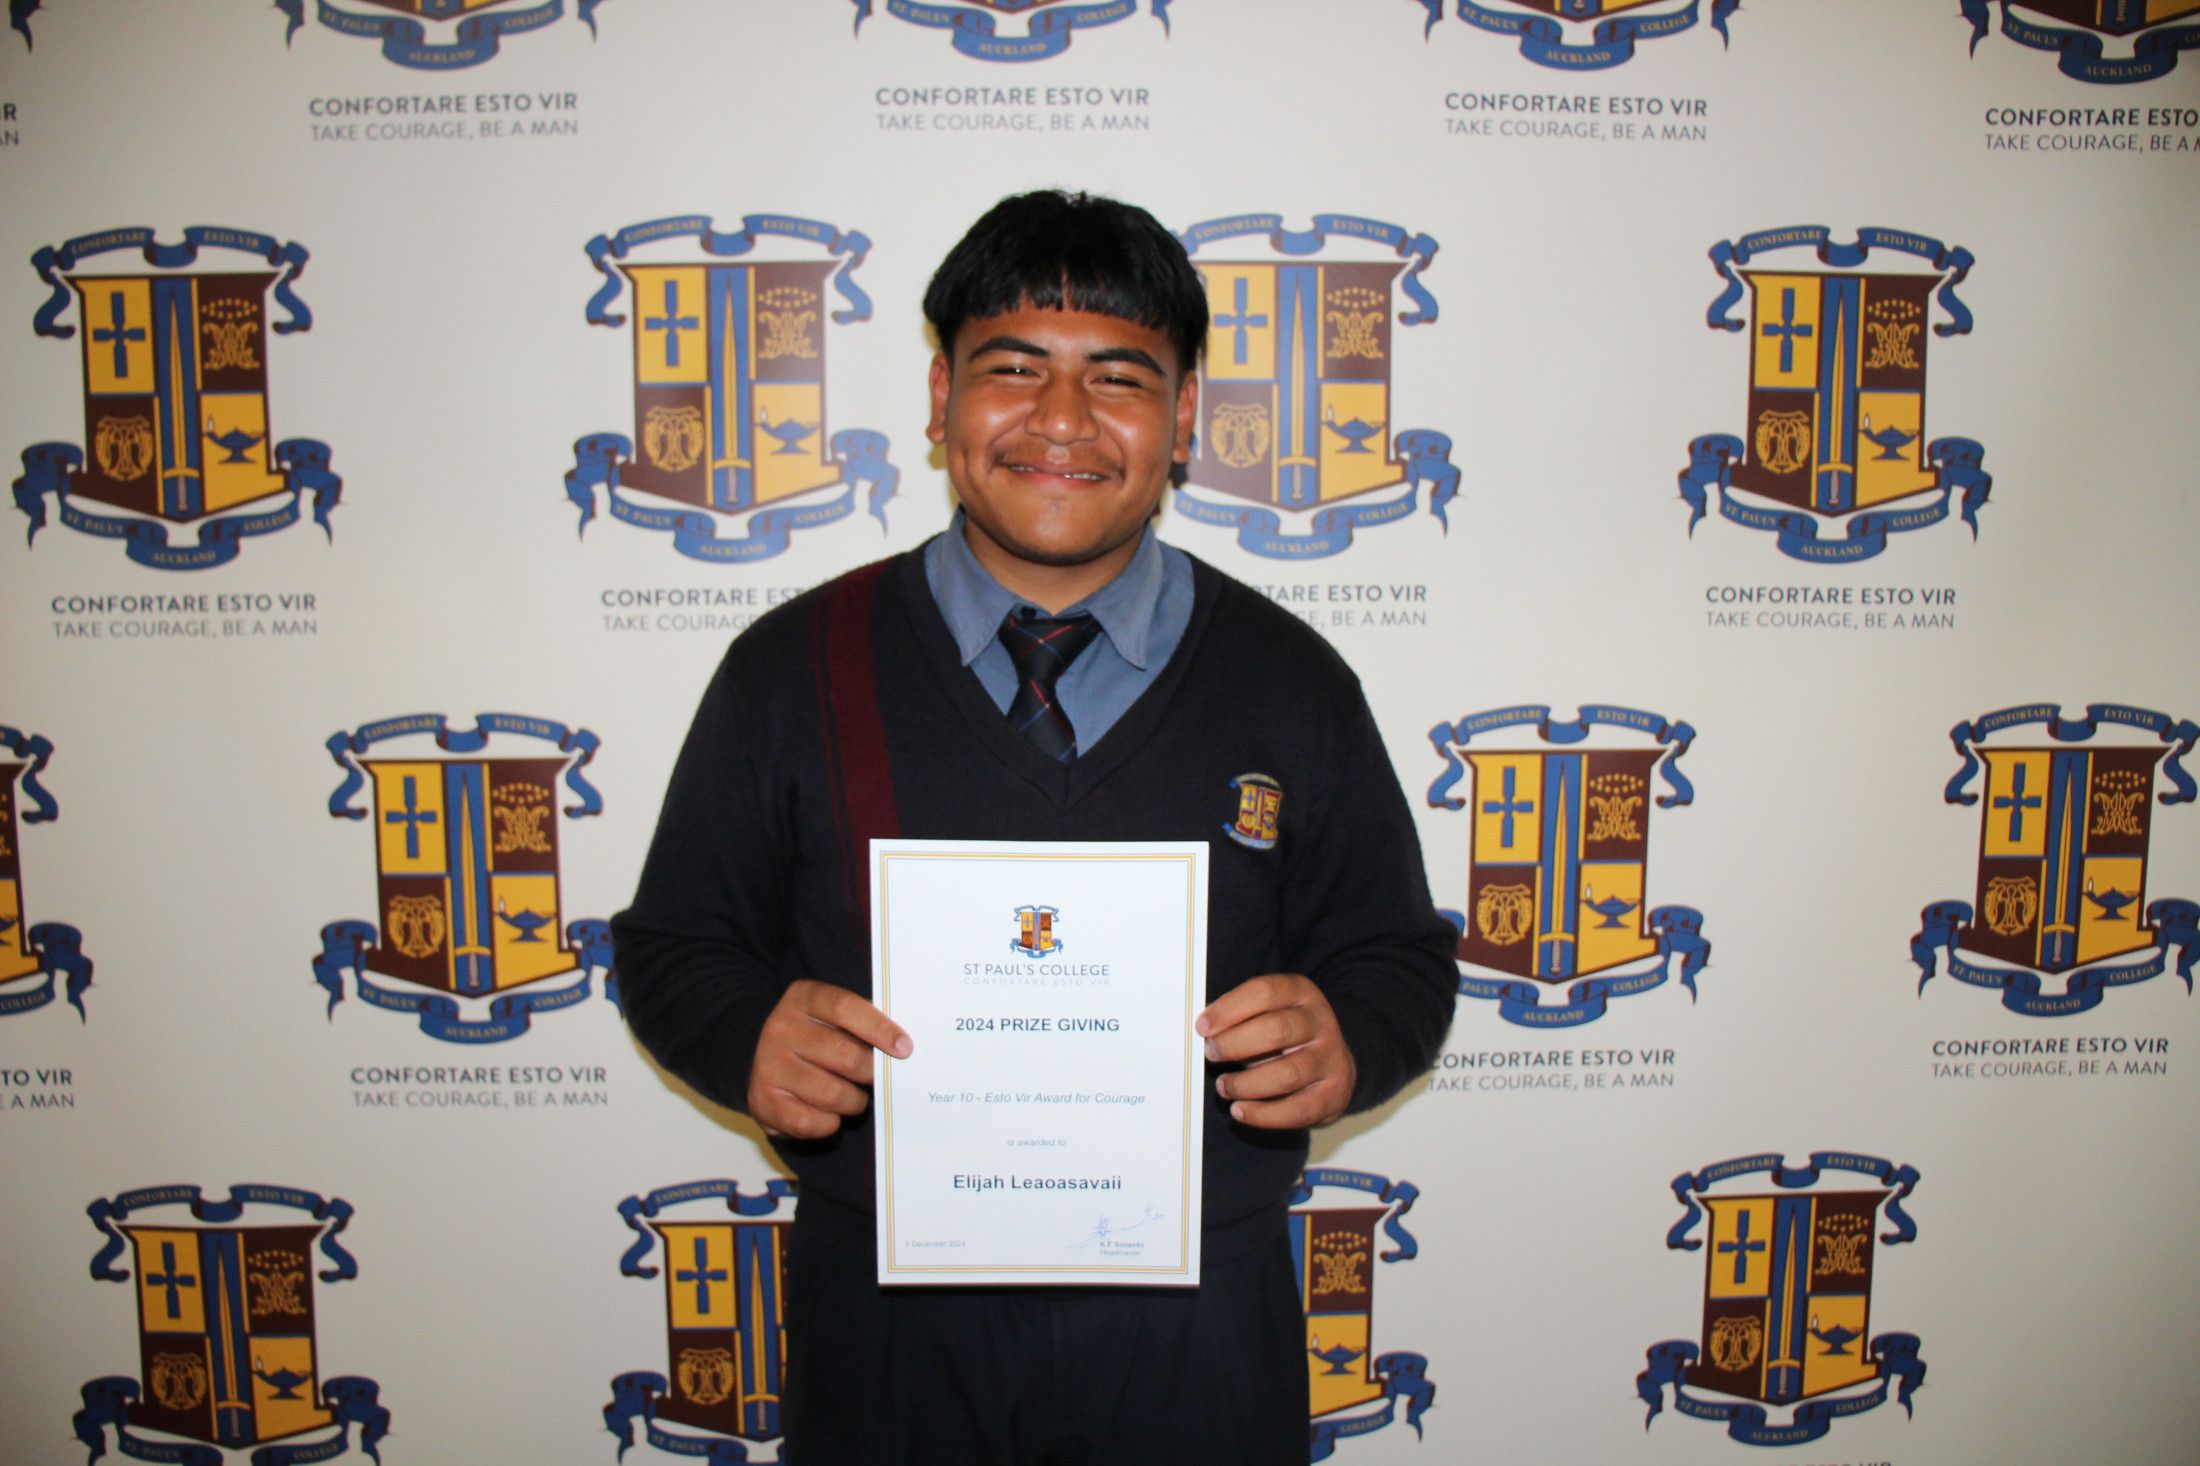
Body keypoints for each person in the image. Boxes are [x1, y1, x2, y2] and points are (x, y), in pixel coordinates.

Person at [612, 190, 1457, 1464]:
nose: (1061, 419)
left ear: (1184, 417)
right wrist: (748, 1035)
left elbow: (1398, 957)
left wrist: (1349, 1034)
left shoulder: (1290, 682)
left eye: (1118, 377)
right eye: (1013, 368)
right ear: (940, 396)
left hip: (1198, 1320)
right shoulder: (793, 667)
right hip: (888, 1319)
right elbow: (675, 944)